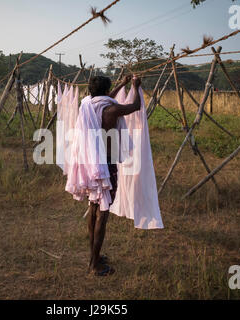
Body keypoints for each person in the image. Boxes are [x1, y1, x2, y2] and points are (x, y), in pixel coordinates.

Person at [86, 74, 142, 276]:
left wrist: (123, 84)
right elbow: (135, 106)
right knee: (103, 213)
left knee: (93, 209)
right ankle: (95, 265)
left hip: (90, 163)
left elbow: (106, 96)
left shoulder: (90, 106)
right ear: (106, 91)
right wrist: (135, 86)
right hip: (106, 165)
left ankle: (94, 255)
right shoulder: (113, 109)